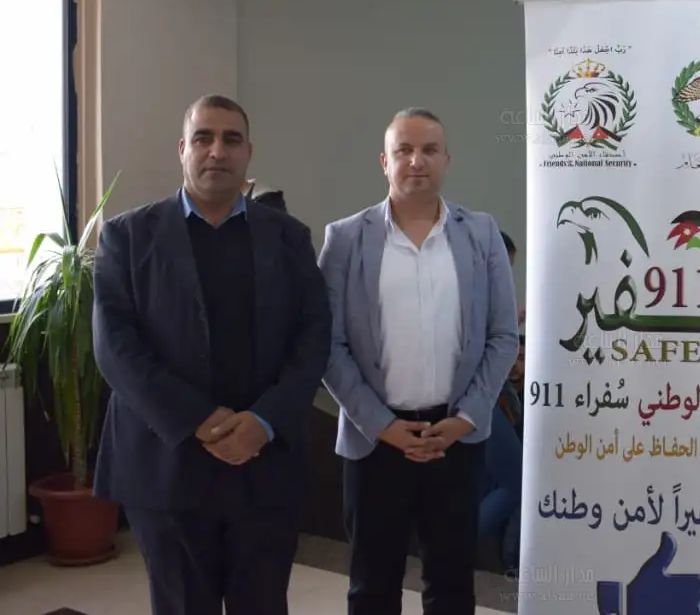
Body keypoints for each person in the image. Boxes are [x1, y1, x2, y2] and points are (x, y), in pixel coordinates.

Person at [91, 94, 332, 615]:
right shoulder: (126, 237)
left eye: (231, 139)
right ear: (183, 149)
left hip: (265, 463)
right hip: (168, 464)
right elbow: (115, 348)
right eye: (203, 138)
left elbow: (314, 337)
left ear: (249, 152)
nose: (217, 151)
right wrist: (199, 420)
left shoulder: (289, 237)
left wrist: (264, 421)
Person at [320, 107, 520, 615]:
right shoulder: (345, 238)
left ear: (447, 161)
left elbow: (502, 336)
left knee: (451, 584)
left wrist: (465, 419)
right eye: (404, 150)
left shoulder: (482, 234)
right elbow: (327, 344)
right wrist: (383, 426)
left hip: (455, 438)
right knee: (372, 585)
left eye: (429, 150)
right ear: (384, 161)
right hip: (374, 441)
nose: (417, 161)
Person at [478, 232, 525, 573]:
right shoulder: (473, 296)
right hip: (478, 401)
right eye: (505, 265)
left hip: (480, 401)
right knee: (518, 480)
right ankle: (455, 548)